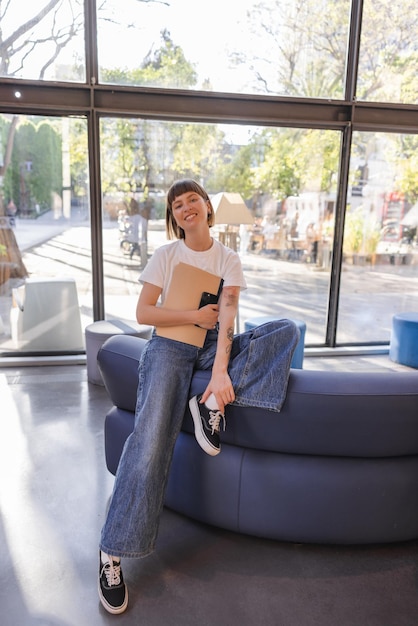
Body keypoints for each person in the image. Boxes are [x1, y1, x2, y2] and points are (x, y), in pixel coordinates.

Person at [98, 179, 299, 615]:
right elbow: (144, 313)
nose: (186, 207)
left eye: (192, 199)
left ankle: (209, 405)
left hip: (210, 350)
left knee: (283, 331)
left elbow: (228, 317)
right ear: (174, 217)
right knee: (150, 444)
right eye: (177, 205)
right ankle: (111, 552)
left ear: (207, 207)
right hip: (169, 346)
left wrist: (221, 374)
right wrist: (193, 315)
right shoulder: (167, 255)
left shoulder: (228, 258)